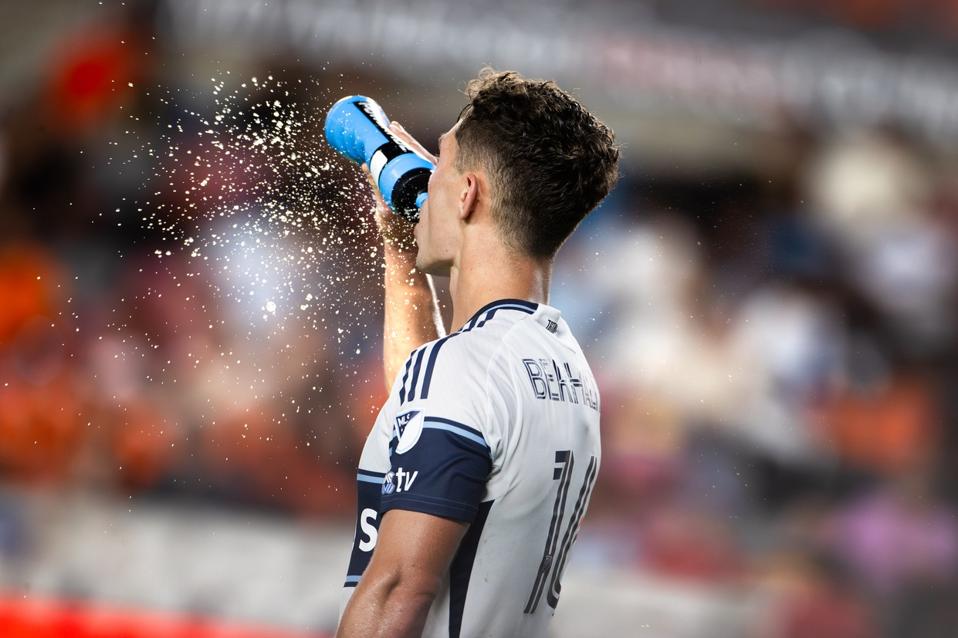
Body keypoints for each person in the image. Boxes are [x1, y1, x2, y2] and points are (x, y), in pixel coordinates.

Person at [337, 68, 619, 638]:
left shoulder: (466, 372)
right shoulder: (561, 363)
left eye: (439, 160)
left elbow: (398, 591)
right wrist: (402, 260)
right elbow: (416, 420)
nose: (425, 176)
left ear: (467, 194)